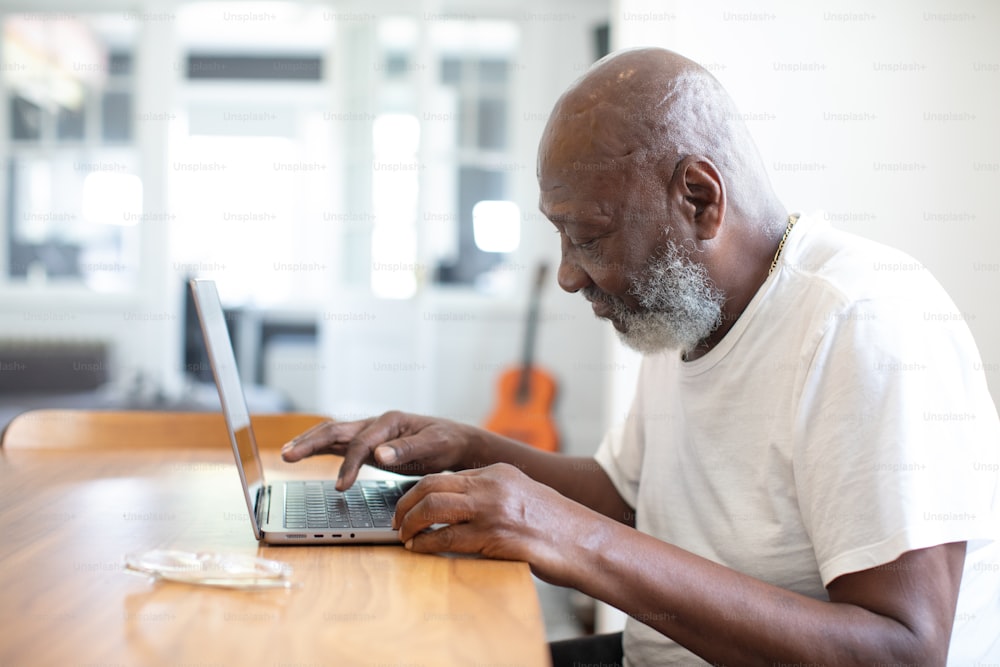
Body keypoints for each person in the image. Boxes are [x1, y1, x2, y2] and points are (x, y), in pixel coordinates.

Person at [282, 47, 1000, 665]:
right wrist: (464, 448)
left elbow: (902, 649)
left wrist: (571, 537)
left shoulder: (861, 323)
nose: (567, 274)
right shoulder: (688, 309)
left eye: (589, 238)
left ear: (697, 198)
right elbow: (628, 495)